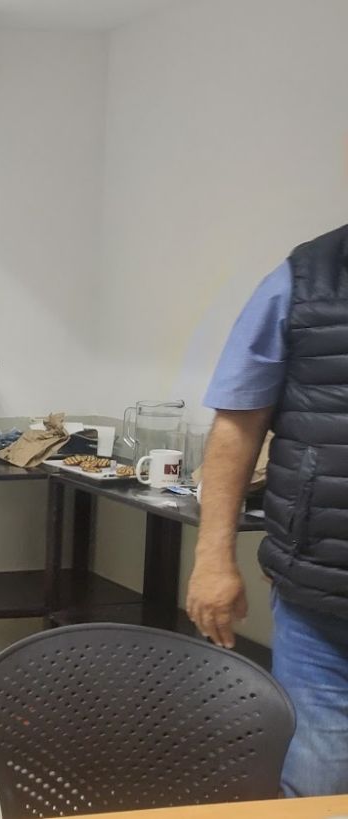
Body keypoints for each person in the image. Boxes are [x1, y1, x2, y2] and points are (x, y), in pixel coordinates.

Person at [186, 222, 348, 798]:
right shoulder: (301, 280)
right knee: (317, 786)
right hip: (321, 603)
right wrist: (213, 558)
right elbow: (238, 421)